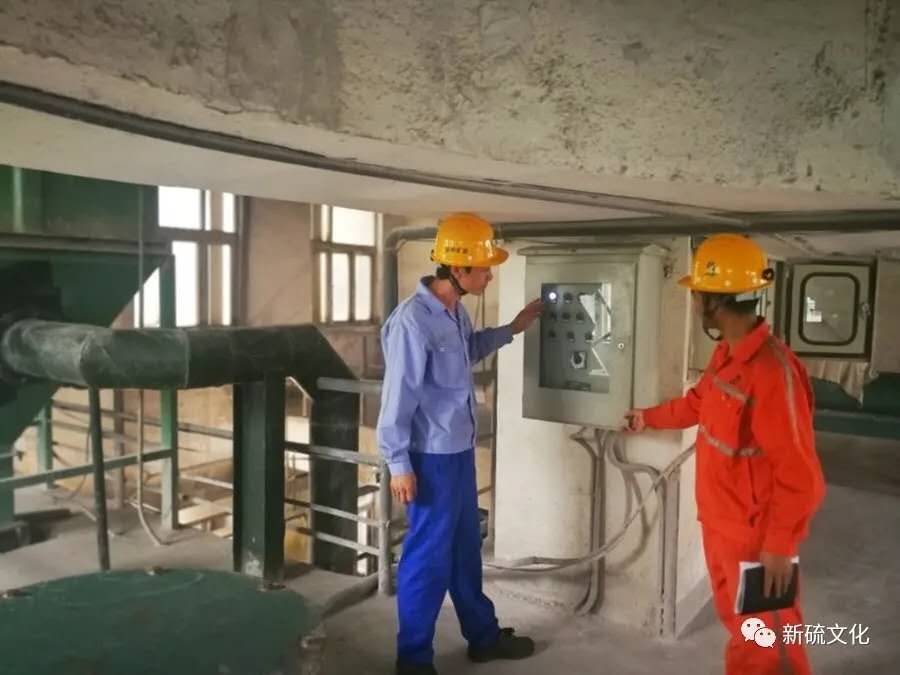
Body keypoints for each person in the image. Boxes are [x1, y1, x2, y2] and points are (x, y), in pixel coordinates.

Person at [625, 234, 825, 675]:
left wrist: (779, 545)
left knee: (768, 645)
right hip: (721, 524)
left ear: (713, 302)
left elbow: (801, 473)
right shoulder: (728, 356)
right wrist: (647, 418)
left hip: (755, 537)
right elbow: (696, 404)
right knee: (741, 631)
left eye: (698, 294)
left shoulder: (771, 371)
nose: (695, 302)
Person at [378, 212, 543, 675]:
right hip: (428, 459)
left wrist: (514, 327)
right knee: (427, 559)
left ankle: (483, 637)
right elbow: (397, 398)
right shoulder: (412, 322)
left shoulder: (454, 312)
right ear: (457, 268)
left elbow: (467, 351)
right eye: (484, 269)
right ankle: (413, 660)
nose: (489, 276)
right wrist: (398, 464)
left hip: (457, 453)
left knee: (465, 549)